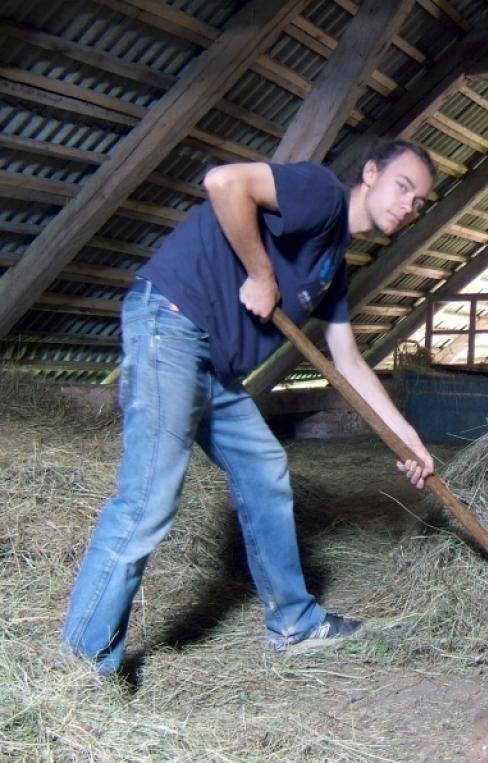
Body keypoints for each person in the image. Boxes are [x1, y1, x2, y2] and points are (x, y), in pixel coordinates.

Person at [62, 140, 437, 676]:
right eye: (403, 186)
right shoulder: (321, 194)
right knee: (148, 499)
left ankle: (294, 622)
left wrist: (408, 439)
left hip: (211, 364)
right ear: (371, 173)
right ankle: (81, 666)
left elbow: (349, 362)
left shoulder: (333, 262)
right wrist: (262, 275)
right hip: (171, 324)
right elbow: (224, 183)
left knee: (265, 469)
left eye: (420, 201)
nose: (409, 204)